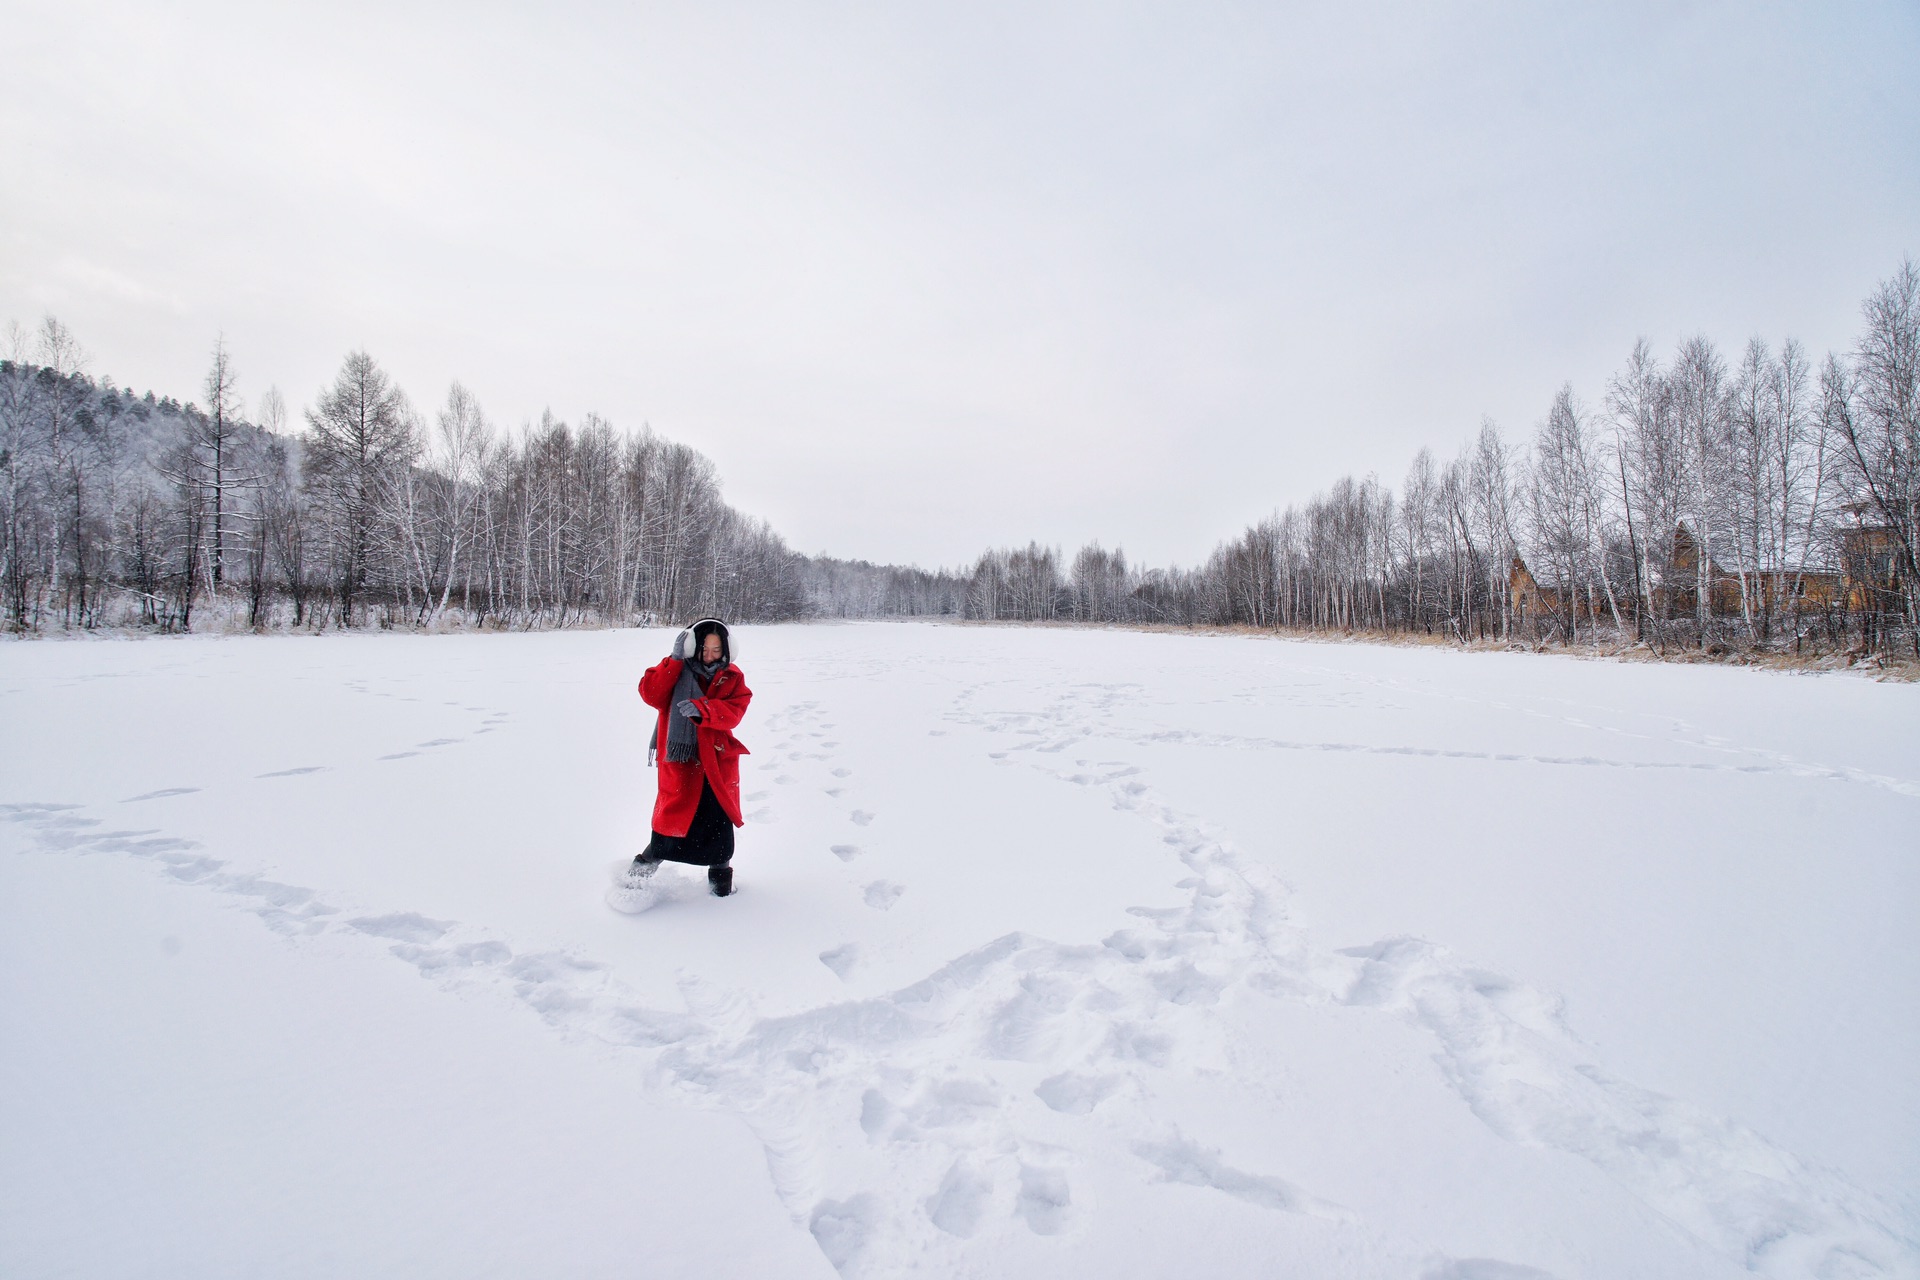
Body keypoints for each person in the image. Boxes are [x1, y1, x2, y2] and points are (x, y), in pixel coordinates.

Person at [626, 618, 752, 898]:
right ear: (693, 646)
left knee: (719, 836)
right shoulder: (677, 669)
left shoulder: (732, 676)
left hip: (716, 768)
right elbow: (650, 693)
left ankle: (722, 895)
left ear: (727, 649)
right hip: (681, 766)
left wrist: (703, 709)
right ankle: (633, 882)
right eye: (704, 649)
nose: (709, 656)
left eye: (716, 650)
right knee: (666, 832)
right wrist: (672, 659)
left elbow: (736, 709)